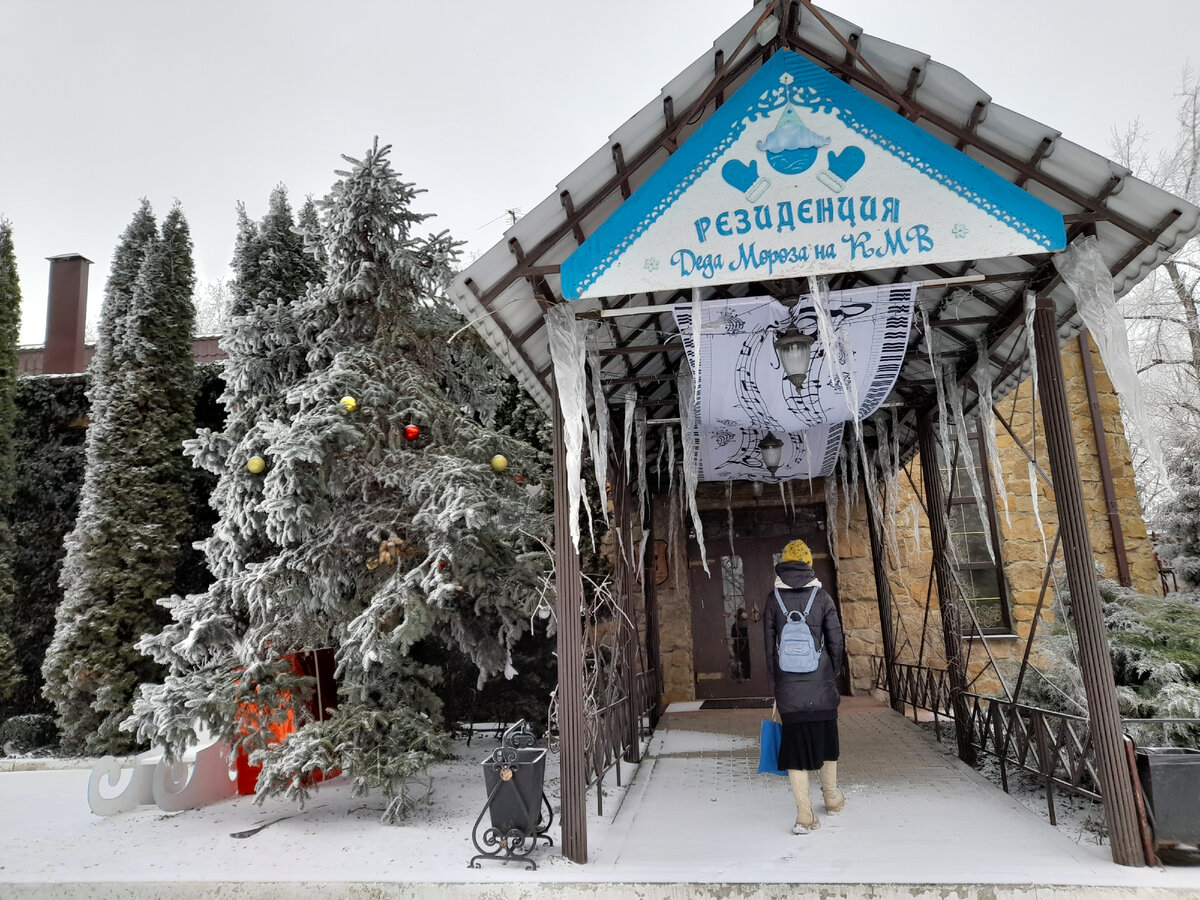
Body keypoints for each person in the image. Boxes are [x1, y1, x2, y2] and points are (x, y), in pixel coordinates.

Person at [763, 538, 846, 834]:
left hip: (789, 687)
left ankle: (804, 814)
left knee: (795, 748)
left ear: (784, 564)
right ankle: (832, 798)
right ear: (809, 564)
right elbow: (836, 641)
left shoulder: (774, 600)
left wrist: (776, 688)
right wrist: (831, 671)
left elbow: (768, 650)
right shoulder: (822, 599)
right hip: (821, 683)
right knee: (827, 740)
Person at [730, 607, 751, 680]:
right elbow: (734, 640)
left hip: (749, 649)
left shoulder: (749, 627)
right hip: (740, 650)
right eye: (740, 619)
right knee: (742, 666)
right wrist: (736, 652)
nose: (742, 621)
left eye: (744, 619)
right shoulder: (734, 627)